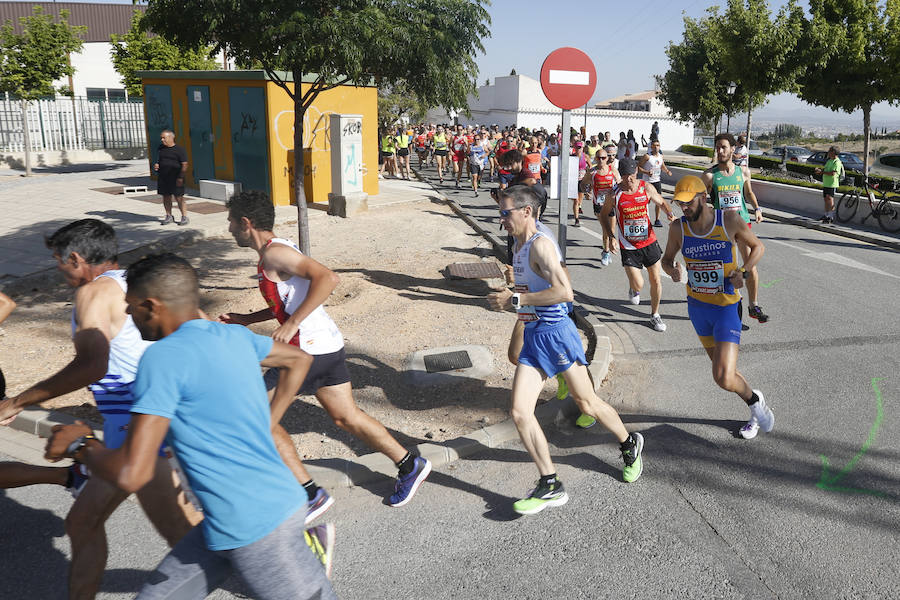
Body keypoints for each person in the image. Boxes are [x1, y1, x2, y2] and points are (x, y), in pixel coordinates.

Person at [44, 253, 337, 600]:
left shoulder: (162, 358)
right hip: (227, 523)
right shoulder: (230, 337)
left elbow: (132, 474)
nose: (126, 314)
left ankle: (306, 551)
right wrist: (268, 419)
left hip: (257, 525)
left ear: (151, 306)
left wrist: (82, 445)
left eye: (131, 306)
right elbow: (297, 360)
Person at [0, 219, 199, 599]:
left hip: (140, 426)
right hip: (153, 418)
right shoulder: (143, 285)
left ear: (76, 258)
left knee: (183, 538)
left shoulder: (92, 293)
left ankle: (285, 567)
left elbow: (93, 365)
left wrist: (18, 401)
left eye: (59, 260)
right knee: (83, 522)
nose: (59, 269)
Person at [219, 191, 431, 509]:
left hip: (305, 351)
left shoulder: (276, 254)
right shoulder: (274, 254)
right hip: (325, 346)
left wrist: (292, 326)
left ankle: (307, 494)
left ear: (246, 223)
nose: (229, 229)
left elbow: (327, 278)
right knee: (346, 417)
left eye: (231, 222)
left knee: (255, 417)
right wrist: (247, 319)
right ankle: (408, 464)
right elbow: (289, 301)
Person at [487, 186, 644, 515]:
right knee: (519, 412)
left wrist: (517, 299)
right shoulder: (516, 245)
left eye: (506, 212)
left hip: (557, 335)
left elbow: (565, 291)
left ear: (526, 212)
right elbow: (533, 287)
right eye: (501, 212)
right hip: (534, 335)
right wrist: (514, 293)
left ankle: (630, 444)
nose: (502, 218)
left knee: (587, 402)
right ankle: (550, 483)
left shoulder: (540, 244)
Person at [660, 175, 774, 440]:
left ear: (703, 197)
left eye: (688, 202)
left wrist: (744, 272)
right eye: (680, 203)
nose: (684, 208)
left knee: (722, 377)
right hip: (698, 310)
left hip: (726, 308)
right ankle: (755, 407)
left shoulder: (729, 220)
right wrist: (672, 270)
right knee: (727, 373)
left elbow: (758, 247)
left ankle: (756, 403)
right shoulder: (678, 228)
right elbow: (666, 260)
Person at [599, 158, 676, 332]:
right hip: (629, 246)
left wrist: (669, 214)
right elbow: (603, 215)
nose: (629, 180)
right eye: (625, 176)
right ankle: (634, 289)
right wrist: (611, 237)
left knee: (656, 279)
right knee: (639, 284)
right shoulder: (614, 194)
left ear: (636, 173)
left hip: (649, 241)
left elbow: (662, 202)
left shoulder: (646, 187)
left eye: (632, 175)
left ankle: (655, 315)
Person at [701, 133, 768, 325]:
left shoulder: (743, 172)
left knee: (750, 265)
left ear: (732, 149)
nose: (720, 151)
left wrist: (758, 209)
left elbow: (748, 192)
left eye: (724, 147)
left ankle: (753, 305)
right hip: (722, 227)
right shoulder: (710, 175)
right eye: (718, 148)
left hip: (742, 223)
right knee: (727, 269)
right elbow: (700, 200)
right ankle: (732, 304)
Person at [585, 148, 620, 267]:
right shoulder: (592, 172)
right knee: (606, 229)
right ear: (595, 158)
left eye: (603, 158)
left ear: (607, 159)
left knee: (612, 230)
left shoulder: (612, 170)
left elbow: (620, 184)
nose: (601, 160)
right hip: (599, 205)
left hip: (610, 204)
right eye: (598, 158)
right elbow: (583, 183)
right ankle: (606, 252)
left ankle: (606, 251)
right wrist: (586, 191)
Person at [153, 130, 189, 226]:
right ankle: (169, 216)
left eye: (164, 137)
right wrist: (157, 165)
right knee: (166, 197)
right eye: (161, 137)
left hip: (176, 178)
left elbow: (185, 164)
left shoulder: (180, 150)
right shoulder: (161, 148)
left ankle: (184, 216)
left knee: (179, 197)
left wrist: (180, 178)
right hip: (164, 177)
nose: (162, 140)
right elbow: (160, 160)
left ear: (171, 138)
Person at [638, 140, 674, 227]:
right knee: (645, 201)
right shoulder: (647, 156)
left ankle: (657, 220)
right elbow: (638, 167)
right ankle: (643, 218)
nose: (656, 147)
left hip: (657, 181)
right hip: (647, 182)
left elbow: (662, 166)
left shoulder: (661, 156)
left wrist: (667, 171)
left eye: (658, 145)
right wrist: (646, 172)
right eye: (654, 146)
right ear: (651, 147)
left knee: (659, 201)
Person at [816, 146, 844, 223]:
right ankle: (826, 215)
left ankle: (830, 217)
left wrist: (822, 172)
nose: (828, 153)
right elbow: (825, 170)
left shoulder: (837, 162)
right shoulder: (829, 161)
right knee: (826, 199)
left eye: (829, 151)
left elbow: (833, 173)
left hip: (832, 183)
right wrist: (820, 170)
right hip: (826, 183)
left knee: (830, 199)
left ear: (833, 152)